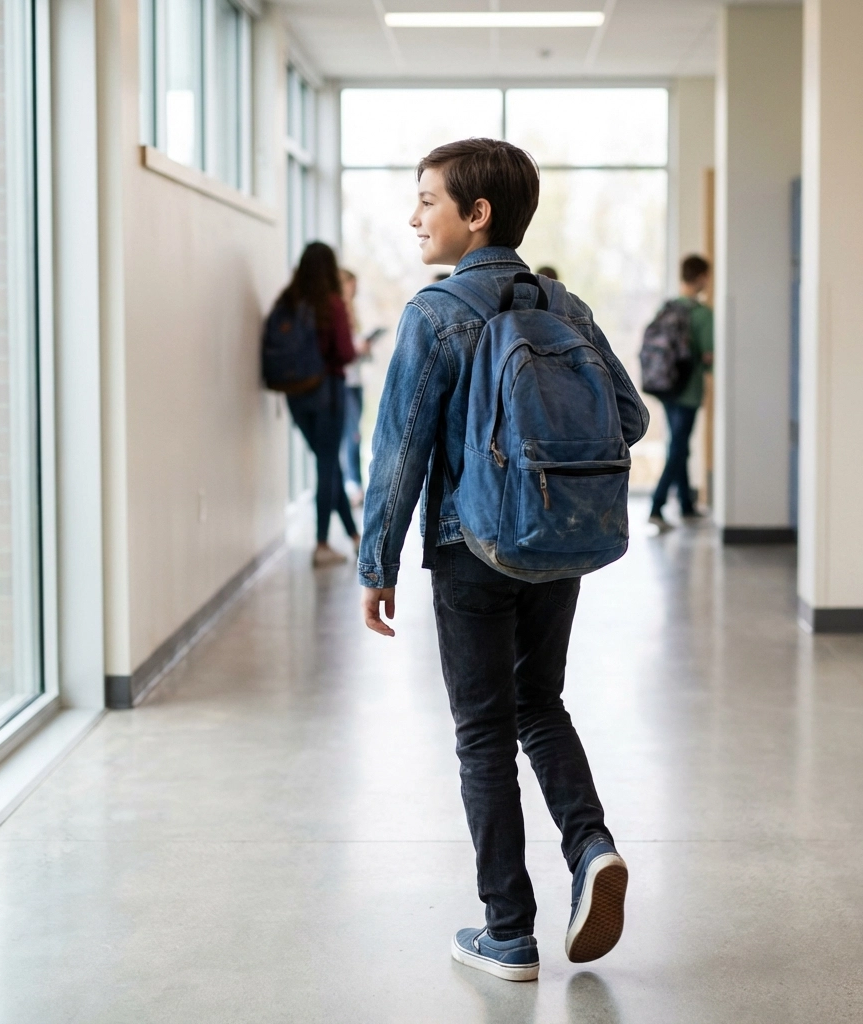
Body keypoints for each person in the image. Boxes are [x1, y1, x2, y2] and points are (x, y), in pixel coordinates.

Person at [358, 138, 648, 982]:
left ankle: (509, 932)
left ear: (476, 214)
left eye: (428, 201)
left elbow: (401, 452)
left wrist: (377, 564)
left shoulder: (435, 313)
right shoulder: (565, 305)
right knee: (540, 704)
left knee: (482, 733)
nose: (414, 217)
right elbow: (630, 419)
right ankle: (591, 847)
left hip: (471, 548)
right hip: (556, 541)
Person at [273, 242, 359, 567]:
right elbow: (346, 352)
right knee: (327, 466)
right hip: (327, 393)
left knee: (328, 464)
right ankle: (322, 544)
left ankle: (354, 536)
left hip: (295, 394)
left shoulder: (288, 300)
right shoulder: (331, 303)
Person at [648, 254, 714, 531]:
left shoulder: (669, 307)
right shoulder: (701, 314)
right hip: (688, 390)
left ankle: (686, 505)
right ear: (701, 277)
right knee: (678, 447)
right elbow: (708, 356)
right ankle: (657, 506)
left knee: (679, 445)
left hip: (666, 387)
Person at [339, 269, 369, 508]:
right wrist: (355, 350)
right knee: (351, 436)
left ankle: (355, 486)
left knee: (354, 435)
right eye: (352, 285)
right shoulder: (337, 313)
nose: (355, 291)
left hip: (355, 382)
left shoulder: (352, 312)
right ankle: (351, 487)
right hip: (344, 383)